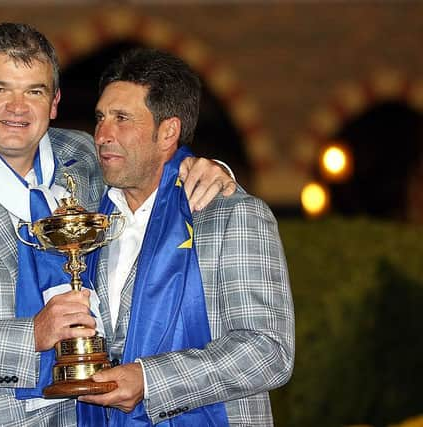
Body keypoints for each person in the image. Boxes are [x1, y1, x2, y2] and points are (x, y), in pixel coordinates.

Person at [0, 23, 235, 426]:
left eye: (34, 91)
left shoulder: (84, 157)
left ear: (54, 102)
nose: (17, 107)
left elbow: (147, 164)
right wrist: (30, 334)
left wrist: (201, 166)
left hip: (91, 415)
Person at [72, 49, 295, 425]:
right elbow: (26, 137)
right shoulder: (88, 213)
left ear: (168, 132)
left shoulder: (233, 216)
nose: (102, 134)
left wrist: (150, 379)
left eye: (122, 118)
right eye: (100, 117)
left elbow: (268, 351)